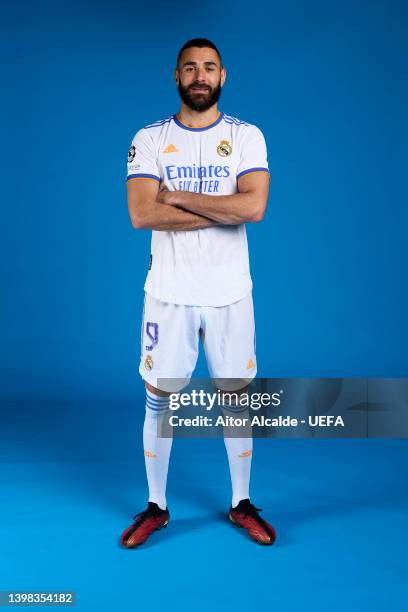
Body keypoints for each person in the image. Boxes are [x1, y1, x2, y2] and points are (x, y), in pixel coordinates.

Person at [120, 38, 276, 547]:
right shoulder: (149, 138)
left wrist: (180, 195)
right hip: (168, 293)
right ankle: (156, 506)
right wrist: (221, 205)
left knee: (235, 399)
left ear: (223, 76)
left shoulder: (247, 136)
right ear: (177, 77)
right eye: (190, 68)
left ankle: (241, 503)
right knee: (159, 398)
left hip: (231, 292)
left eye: (209, 67)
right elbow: (142, 214)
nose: (200, 75)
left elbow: (253, 209)